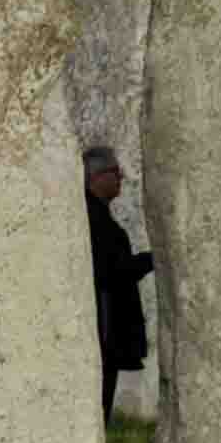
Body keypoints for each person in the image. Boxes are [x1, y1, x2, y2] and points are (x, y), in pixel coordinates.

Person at [84, 146, 154, 425]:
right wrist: (151, 259)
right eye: (115, 172)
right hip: (104, 326)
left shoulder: (96, 214)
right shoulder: (93, 218)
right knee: (98, 402)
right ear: (97, 176)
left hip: (106, 324)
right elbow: (111, 271)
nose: (120, 178)